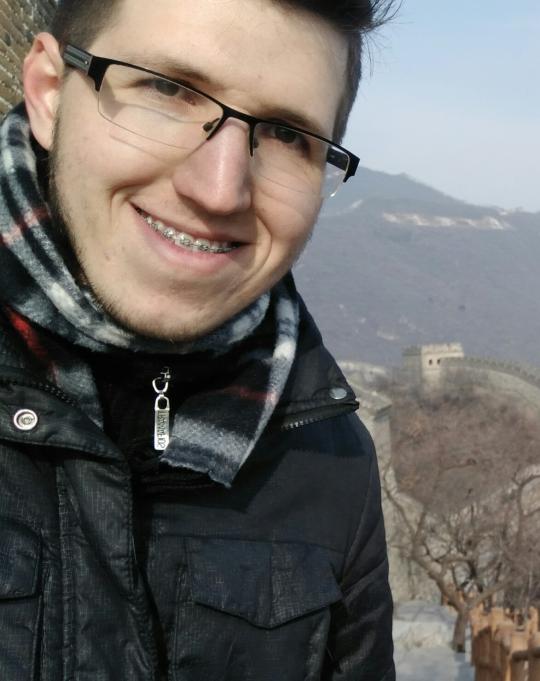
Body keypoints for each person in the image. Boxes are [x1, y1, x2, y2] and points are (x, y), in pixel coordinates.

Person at [0, 0, 396, 678]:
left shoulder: (329, 457)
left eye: (286, 135)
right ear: (48, 92)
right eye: (168, 89)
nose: (218, 190)